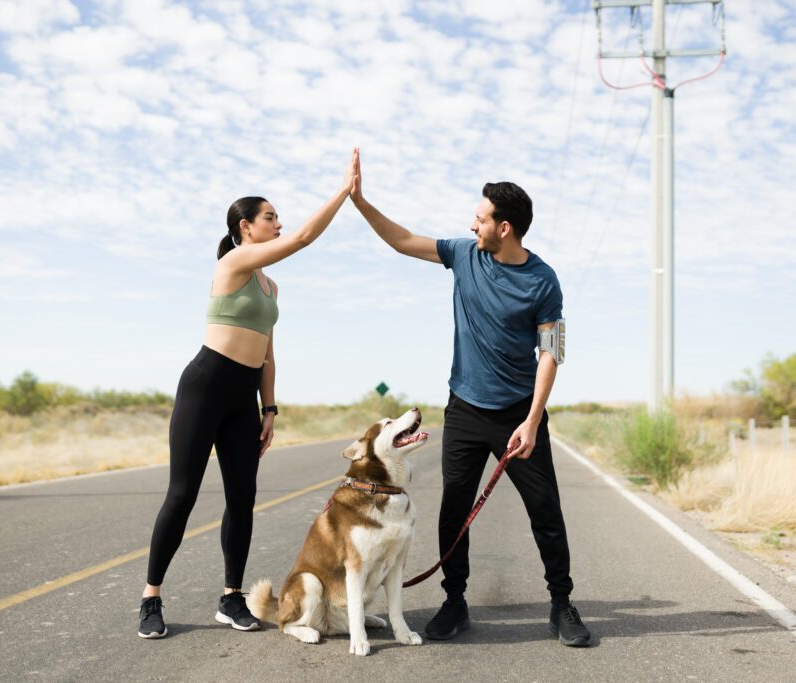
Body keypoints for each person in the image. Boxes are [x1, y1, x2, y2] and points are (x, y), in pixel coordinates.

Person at [349, 152, 592, 647]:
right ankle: (454, 601)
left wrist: (531, 419)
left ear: (504, 228)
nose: (472, 224)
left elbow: (550, 356)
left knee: (545, 509)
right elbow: (401, 241)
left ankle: (562, 604)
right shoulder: (464, 254)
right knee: (453, 510)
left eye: (480, 218)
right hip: (464, 408)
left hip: (518, 416)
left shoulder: (544, 281)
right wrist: (359, 200)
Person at [138, 149, 359, 639]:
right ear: (245, 226)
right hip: (205, 386)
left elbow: (268, 354)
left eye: (278, 217)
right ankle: (151, 597)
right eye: (269, 216)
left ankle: (231, 597)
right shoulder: (233, 262)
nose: (278, 223)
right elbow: (303, 237)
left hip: (243, 397)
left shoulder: (271, 286)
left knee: (242, 498)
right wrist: (344, 192)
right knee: (182, 494)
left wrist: (270, 409)